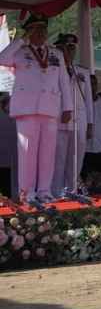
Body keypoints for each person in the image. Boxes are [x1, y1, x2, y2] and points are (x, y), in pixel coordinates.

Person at [0, 14, 74, 203]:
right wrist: (21, 40)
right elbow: (2, 58)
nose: (41, 33)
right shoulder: (19, 51)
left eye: (43, 30)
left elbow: (64, 82)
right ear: (29, 32)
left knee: (48, 152)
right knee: (27, 152)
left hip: (50, 108)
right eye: (35, 30)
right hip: (27, 109)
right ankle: (27, 193)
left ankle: (44, 191)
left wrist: (68, 108)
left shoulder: (55, 54)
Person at [51, 34, 93, 196]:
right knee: (59, 157)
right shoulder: (52, 70)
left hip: (79, 119)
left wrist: (90, 123)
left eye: (72, 47)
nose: (70, 51)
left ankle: (72, 189)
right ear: (59, 49)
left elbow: (88, 99)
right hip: (59, 118)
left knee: (77, 157)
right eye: (66, 47)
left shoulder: (82, 71)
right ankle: (56, 191)